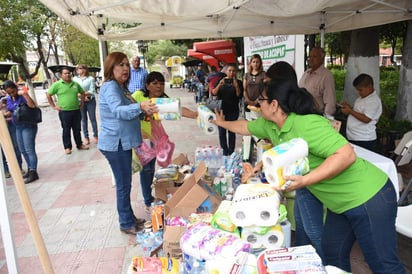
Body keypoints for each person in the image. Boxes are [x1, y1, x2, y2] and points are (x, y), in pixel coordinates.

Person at [211, 80, 406, 274]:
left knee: (383, 266)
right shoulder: (271, 125)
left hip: (368, 197)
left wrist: (305, 180)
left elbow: (346, 154)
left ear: (274, 105)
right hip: (339, 204)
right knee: (333, 257)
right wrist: (221, 123)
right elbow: (245, 126)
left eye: (260, 101)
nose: (255, 105)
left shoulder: (306, 124)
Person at [265, 61, 325, 259]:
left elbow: (344, 154)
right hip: (304, 179)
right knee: (302, 225)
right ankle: (300, 260)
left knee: (314, 231)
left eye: (269, 83)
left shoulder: (299, 115)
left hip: (310, 178)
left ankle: (320, 263)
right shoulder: (292, 107)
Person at [98, 51, 156, 235]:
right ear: (110, 67)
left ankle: (129, 218)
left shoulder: (121, 87)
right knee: (123, 184)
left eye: (126, 65)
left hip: (123, 143)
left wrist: (142, 113)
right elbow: (119, 111)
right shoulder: (110, 87)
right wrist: (140, 106)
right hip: (115, 144)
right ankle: (125, 223)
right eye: (120, 65)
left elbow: (128, 109)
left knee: (126, 182)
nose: (125, 69)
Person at [132, 71, 197, 212]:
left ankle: (151, 196)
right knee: (146, 169)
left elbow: (178, 109)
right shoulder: (138, 96)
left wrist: (196, 115)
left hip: (154, 137)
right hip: (140, 137)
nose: (159, 86)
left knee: (151, 167)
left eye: (161, 83)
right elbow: (128, 111)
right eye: (154, 83)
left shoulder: (162, 99)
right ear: (147, 85)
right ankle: (148, 201)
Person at [47, 67, 89, 155]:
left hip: (76, 110)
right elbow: (48, 94)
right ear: (61, 75)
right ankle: (67, 147)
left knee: (77, 129)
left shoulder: (75, 84)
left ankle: (79, 144)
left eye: (69, 73)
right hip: (64, 112)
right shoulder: (57, 84)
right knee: (66, 129)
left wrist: (81, 103)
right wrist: (53, 106)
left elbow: (82, 93)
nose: (68, 75)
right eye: (65, 73)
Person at [4, 81, 39, 183]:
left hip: (28, 125)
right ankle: (30, 168)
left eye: (13, 91)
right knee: (22, 149)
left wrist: (25, 94)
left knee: (29, 149)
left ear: (16, 88)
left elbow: (32, 106)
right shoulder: (9, 99)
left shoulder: (22, 96)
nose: (12, 94)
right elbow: (12, 110)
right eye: (9, 93)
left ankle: (33, 171)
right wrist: (6, 114)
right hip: (18, 126)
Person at [341, 73, 382, 152]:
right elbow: (358, 112)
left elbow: (367, 119)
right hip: (354, 136)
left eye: (360, 90)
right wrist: (349, 108)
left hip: (364, 139)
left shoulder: (373, 101)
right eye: (357, 90)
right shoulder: (361, 98)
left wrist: (350, 111)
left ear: (369, 87)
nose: (359, 92)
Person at [211, 63, 243, 156]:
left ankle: (231, 151)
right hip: (222, 111)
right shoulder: (221, 81)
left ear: (236, 72)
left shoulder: (239, 82)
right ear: (226, 71)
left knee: (232, 131)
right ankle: (224, 151)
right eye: (230, 71)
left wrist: (236, 85)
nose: (231, 73)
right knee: (222, 131)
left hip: (233, 110)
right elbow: (214, 93)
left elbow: (239, 95)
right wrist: (220, 85)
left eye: (233, 71)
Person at [299, 47, 336, 118]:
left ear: (322, 59)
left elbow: (330, 102)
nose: (311, 59)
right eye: (310, 56)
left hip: (315, 116)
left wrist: (326, 119)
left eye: (315, 56)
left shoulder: (326, 76)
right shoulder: (306, 73)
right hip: (301, 114)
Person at [1, 85, 23, 179]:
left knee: (15, 146)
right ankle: (5, 170)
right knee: (2, 149)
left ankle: (19, 168)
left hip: (11, 123)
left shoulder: (5, 96)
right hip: (1, 125)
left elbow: (14, 107)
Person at [73, 64, 98, 145]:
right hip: (81, 101)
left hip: (90, 101)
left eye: (80, 68)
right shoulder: (75, 79)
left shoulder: (90, 79)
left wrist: (84, 95)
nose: (78, 70)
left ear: (85, 69)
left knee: (92, 119)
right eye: (77, 69)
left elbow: (92, 91)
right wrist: (82, 97)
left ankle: (96, 136)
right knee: (83, 120)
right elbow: (74, 91)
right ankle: (86, 137)